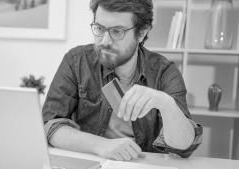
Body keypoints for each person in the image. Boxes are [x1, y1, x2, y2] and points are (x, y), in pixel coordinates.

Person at [42, 0, 202, 161]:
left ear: (141, 33)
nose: (104, 41)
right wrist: (101, 145)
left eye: (117, 31)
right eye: (99, 28)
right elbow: (50, 126)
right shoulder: (76, 61)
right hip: (91, 162)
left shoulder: (164, 71)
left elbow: (184, 146)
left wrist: (166, 104)